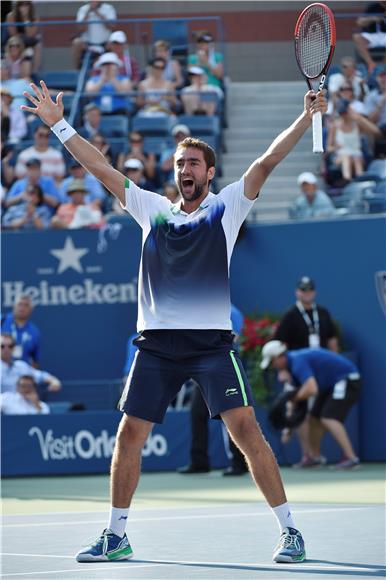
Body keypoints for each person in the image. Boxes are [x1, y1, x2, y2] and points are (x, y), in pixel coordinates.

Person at [21, 78, 327, 564]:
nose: (185, 169)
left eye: (193, 164)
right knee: (129, 434)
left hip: (210, 345)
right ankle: (116, 534)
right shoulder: (152, 208)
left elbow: (265, 161)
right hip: (157, 345)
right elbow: (100, 168)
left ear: (208, 173)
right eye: (180, 162)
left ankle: (290, 531)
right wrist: (58, 124)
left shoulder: (227, 208)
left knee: (246, 432)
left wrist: (306, 117)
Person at [260, 341, 362, 470]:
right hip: (330, 385)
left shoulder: (297, 361)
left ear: (280, 357)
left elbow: (311, 388)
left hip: (347, 379)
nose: (273, 366)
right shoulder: (292, 366)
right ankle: (315, 458)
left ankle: (352, 458)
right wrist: (288, 429)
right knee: (313, 418)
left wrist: (294, 399)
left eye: (272, 362)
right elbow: (293, 401)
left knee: (328, 418)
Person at [274, 276, 339, 467]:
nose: (307, 293)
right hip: (299, 372)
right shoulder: (290, 315)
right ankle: (307, 455)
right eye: (303, 290)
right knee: (300, 411)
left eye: (310, 290)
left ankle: (316, 453)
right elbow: (280, 346)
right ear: (297, 292)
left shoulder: (324, 313)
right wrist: (284, 370)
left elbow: (332, 341)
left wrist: (334, 365)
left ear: (314, 292)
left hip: (322, 372)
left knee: (318, 414)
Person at [178, 303, 248, 476]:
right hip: (202, 371)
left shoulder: (233, 312)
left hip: (223, 370)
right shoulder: (200, 309)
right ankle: (199, 462)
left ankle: (239, 463)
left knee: (230, 418)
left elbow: (233, 338)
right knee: (197, 414)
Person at [326, 98, 381, 180]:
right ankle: (347, 179)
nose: (343, 115)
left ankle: (360, 179)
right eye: (341, 113)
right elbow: (329, 148)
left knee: (356, 158)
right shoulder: (334, 126)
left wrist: (359, 118)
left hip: (357, 154)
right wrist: (335, 148)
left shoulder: (357, 124)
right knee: (346, 157)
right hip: (340, 156)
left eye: (345, 112)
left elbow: (376, 132)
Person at [72, 1, 117, 69]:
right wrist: (87, 13)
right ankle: (78, 69)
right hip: (87, 44)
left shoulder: (109, 8)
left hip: (105, 43)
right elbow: (81, 29)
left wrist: (97, 13)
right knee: (76, 42)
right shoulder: (83, 9)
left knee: (115, 43)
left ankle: (117, 68)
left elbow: (112, 26)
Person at [1, 295, 41, 366]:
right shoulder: (2, 320)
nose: (22, 308)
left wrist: (30, 374)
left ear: (31, 310)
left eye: (26, 305)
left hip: (22, 372)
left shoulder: (34, 331)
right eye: (19, 304)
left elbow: (35, 360)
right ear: (13, 307)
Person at [5, 1, 42, 73]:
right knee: (16, 42)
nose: (24, 7)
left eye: (27, 4)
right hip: (15, 39)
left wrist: (26, 20)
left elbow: (31, 35)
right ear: (17, 6)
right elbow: (13, 33)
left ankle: (35, 71)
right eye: (21, 4)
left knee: (38, 45)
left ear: (30, 6)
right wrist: (21, 36)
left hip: (28, 40)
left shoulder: (35, 17)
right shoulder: (11, 16)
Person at [353, 2, 386, 73]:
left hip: (384, 34)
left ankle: (384, 65)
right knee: (357, 37)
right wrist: (372, 19)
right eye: (383, 3)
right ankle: (371, 63)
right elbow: (359, 22)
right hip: (371, 35)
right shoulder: (372, 7)